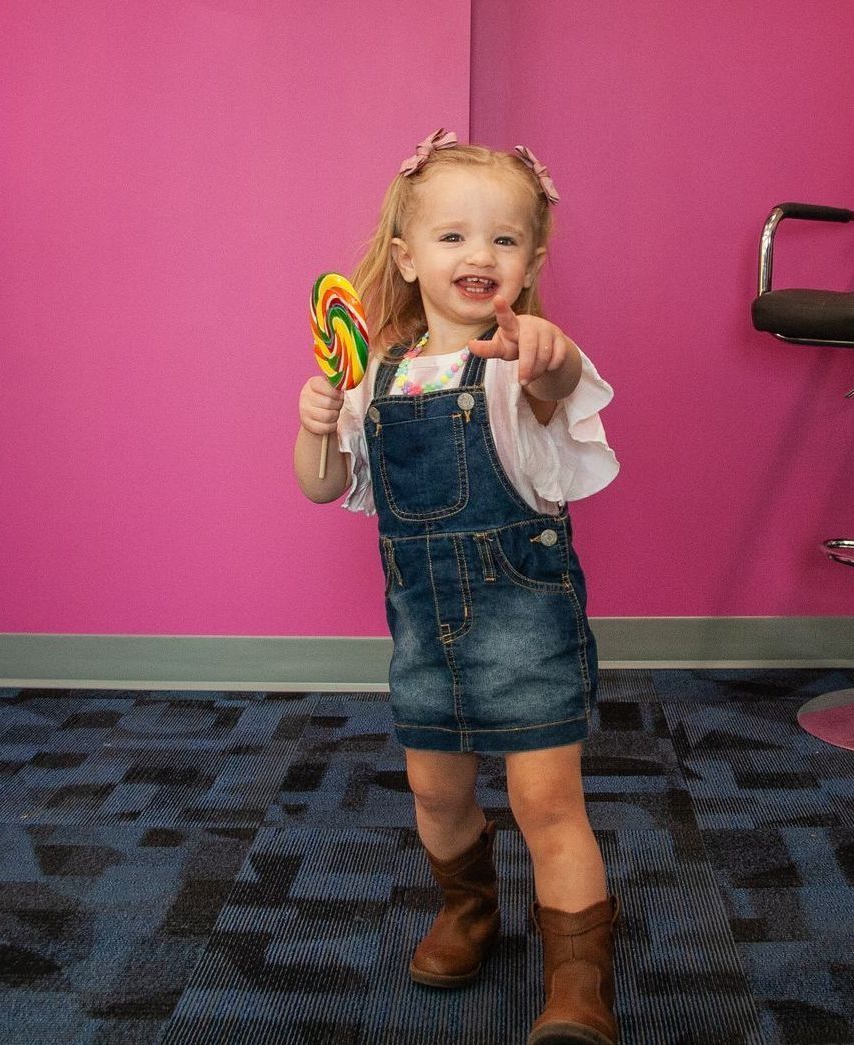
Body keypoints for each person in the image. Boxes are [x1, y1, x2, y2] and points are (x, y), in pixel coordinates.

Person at [294, 129, 620, 1045]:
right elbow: (322, 484)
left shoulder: (523, 364)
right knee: (435, 792)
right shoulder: (374, 377)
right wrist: (316, 420)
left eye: (505, 241)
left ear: (532, 261)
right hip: (424, 633)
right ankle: (470, 908)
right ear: (406, 256)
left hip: (527, 625)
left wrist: (545, 355)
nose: (479, 255)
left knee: (546, 801)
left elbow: (557, 385)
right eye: (452, 237)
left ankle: (579, 971)